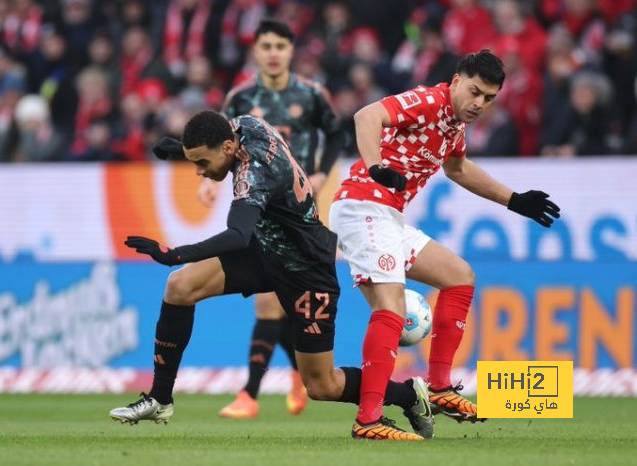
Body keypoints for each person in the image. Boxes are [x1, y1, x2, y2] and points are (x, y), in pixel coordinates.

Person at [109, 110, 433, 441]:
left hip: (305, 267)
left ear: (226, 148)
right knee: (180, 285)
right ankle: (160, 398)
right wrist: (180, 148)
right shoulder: (244, 125)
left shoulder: (254, 173)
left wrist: (175, 253)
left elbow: (237, 235)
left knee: (322, 386)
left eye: (202, 163)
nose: (200, 172)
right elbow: (222, 137)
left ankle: (409, 395)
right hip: (265, 250)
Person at [328, 50, 561, 426]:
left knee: (459, 276)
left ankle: (439, 389)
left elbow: (458, 168)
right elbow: (366, 115)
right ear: (455, 81)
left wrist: (514, 200)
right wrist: (377, 167)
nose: (479, 103)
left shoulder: (454, 124)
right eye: (474, 92)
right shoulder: (428, 101)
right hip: (363, 204)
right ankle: (368, 420)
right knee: (391, 308)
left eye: (488, 98)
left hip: (386, 214)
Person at [218, 19, 345, 419]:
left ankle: (263, 388)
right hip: (260, 209)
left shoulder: (311, 95)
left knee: (282, 303)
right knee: (269, 304)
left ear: (291, 51)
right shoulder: (240, 98)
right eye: (266, 45)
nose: (273, 52)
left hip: (299, 212)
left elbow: (337, 134)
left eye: (281, 46)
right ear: (255, 51)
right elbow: (219, 146)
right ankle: (258, 390)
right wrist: (209, 183)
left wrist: (323, 170)